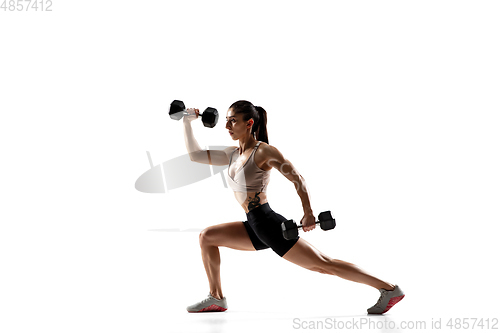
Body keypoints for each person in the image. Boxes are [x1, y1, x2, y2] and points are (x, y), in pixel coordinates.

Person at [182, 100, 404, 314]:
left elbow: (297, 178)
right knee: (207, 237)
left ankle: (388, 289)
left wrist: (308, 213)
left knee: (323, 264)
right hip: (254, 224)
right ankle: (216, 298)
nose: (227, 126)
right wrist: (187, 122)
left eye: (233, 121)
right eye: (228, 121)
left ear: (249, 123)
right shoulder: (233, 154)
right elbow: (195, 156)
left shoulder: (263, 151)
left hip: (268, 223)